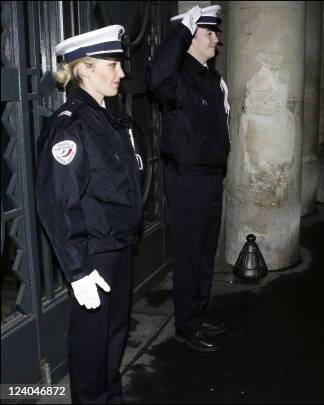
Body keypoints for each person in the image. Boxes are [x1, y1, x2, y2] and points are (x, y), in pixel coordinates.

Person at [36, 25, 143, 403]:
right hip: (93, 253)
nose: (121, 73)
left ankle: (109, 397)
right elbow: (57, 202)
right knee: (90, 345)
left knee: (113, 337)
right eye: (113, 65)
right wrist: (78, 270)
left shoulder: (107, 116)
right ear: (85, 69)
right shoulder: (70, 124)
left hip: (118, 244)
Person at [149, 5, 230, 352]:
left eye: (215, 33)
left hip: (211, 177)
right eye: (209, 33)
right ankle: (186, 326)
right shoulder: (177, 76)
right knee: (189, 254)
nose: (217, 39)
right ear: (192, 38)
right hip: (188, 181)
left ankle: (198, 314)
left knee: (205, 252)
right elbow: (156, 75)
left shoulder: (209, 76)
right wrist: (182, 29)